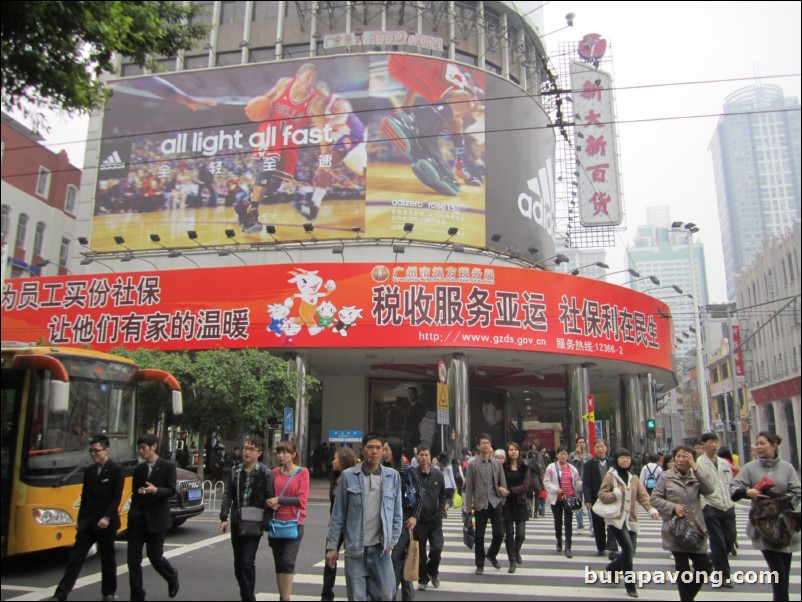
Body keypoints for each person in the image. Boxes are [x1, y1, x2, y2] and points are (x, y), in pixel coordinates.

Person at [381, 54, 484, 196]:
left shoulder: (445, 101)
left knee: (436, 116)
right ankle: (421, 128)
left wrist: (404, 116)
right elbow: (459, 128)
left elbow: (412, 91)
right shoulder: (462, 86)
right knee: (470, 100)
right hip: (424, 55)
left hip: (397, 65)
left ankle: (423, 149)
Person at [244, 62, 327, 227]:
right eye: (307, 77)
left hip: (289, 140)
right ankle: (252, 214)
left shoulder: (315, 103)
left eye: (314, 79)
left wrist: (325, 161)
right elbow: (265, 99)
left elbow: (323, 132)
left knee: (275, 185)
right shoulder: (284, 84)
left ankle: (245, 203)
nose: (310, 82)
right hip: (271, 129)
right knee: (269, 166)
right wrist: (252, 107)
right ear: (298, 77)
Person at [326, 433, 402, 601]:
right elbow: (338, 515)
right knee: (357, 596)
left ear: (383, 451)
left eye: (378, 448)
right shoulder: (348, 476)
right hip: (355, 550)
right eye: (370, 448)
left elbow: (397, 514)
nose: (374, 452)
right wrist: (332, 547)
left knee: (386, 594)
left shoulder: (392, 476)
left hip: (381, 549)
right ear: (362, 451)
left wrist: (391, 542)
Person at [51, 435, 124, 601]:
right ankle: (61, 594)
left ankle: (108, 593)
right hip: (88, 523)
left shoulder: (116, 469)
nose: (93, 454)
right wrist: (79, 521)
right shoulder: (89, 471)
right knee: (75, 559)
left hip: (106, 524)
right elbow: (85, 498)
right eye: (91, 451)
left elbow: (116, 498)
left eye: (96, 451)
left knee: (108, 560)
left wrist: (106, 517)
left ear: (106, 450)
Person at [730, 431, 801, 601]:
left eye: (762, 443)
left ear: (774, 445)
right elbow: (734, 488)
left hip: (784, 527)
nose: (758, 447)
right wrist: (748, 492)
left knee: (784, 574)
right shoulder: (750, 468)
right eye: (757, 443)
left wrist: (780, 500)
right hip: (764, 528)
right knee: (780, 575)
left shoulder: (787, 467)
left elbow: (797, 491)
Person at [649, 445, 716, 601]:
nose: (680, 459)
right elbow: (655, 498)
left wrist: (696, 468)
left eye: (685, 456)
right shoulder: (666, 477)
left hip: (695, 528)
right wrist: (673, 507)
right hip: (675, 529)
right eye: (678, 456)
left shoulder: (696, 476)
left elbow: (709, 490)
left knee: (704, 568)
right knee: (682, 570)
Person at [597, 448, 659, 598]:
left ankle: (612, 568)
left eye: (628, 458)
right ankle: (630, 586)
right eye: (622, 458)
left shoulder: (633, 478)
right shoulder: (610, 476)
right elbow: (601, 495)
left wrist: (651, 509)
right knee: (628, 548)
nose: (625, 460)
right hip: (616, 519)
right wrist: (614, 494)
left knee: (631, 551)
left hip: (630, 519)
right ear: (616, 460)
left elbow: (642, 496)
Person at [220, 436, 274, 602]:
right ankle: (246, 595)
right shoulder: (236, 471)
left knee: (247, 561)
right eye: (245, 448)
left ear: (259, 452)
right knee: (238, 564)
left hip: (254, 522)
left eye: (251, 449)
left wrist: (265, 523)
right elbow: (228, 494)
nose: (247, 452)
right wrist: (224, 516)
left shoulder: (265, 472)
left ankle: (249, 598)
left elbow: (270, 498)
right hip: (237, 520)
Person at [127, 434, 180, 601]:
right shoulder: (139, 470)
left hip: (157, 519)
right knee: (133, 560)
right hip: (138, 520)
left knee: (155, 557)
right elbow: (135, 494)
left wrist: (155, 490)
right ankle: (137, 596)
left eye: (144, 448)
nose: (141, 451)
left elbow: (171, 490)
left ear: (154, 447)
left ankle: (171, 576)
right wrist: (132, 514)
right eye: (140, 448)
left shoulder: (167, 466)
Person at [266, 440, 310, 601]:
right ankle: (282, 596)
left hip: (294, 523)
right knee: (279, 564)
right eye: (279, 452)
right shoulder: (274, 473)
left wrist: (280, 499)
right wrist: (271, 501)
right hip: (276, 523)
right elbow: (268, 494)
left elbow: (301, 500)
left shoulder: (302, 472)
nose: (281, 455)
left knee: (287, 562)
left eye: (285, 452)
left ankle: (286, 598)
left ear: (293, 455)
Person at [383, 436, 422, 601]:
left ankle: (390, 595)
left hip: (404, 521)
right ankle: (407, 595)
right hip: (385, 520)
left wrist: (414, 517)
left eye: (386, 449)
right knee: (398, 560)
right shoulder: (380, 470)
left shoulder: (407, 471)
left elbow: (420, 496)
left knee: (395, 559)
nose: (383, 453)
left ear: (395, 451)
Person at [696, 432, 737, 588]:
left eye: (715, 441)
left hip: (727, 505)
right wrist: (703, 505)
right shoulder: (699, 463)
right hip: (711, 506)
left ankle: (714, 560)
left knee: (730, 538)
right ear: (704, 445)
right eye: (710, 442)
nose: (714, 444)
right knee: (718, 541)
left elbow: (730, 484)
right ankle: (723, 575)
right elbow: (697, 487)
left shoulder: (724, 463)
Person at [463, 433, 507, 574]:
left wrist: (502, 499)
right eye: (483, 443)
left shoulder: (496, 463)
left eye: (488, 442)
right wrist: (468, 506)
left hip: (495, 502)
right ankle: (480, 564)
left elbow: (502, 483)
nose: (486, 445)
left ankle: (492, 554)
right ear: (478, 446)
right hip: (480, 503)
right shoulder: (472, 464)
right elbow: (469, 486)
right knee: (479, 536)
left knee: (500, 533)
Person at [321, 446, 357, 601]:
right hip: (335, 525)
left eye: (335, 458)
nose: (333, 461)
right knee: (329, 559)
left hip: (351, 526)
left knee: (354, 561)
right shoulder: (334, 477)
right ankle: (327, 594)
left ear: (343, 461)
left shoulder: (354, 479)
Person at [412, 446, 448, 591]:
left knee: (437, 548)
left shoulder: (438, 474)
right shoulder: (412, 474)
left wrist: (440, 512)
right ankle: (423, 578)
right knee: (420, 552)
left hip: (434, 519)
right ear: (417, 457)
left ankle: (433, 571)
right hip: (419, 520)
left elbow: (443, 495)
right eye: (421, 455)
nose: (424, 458)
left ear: (430, 456)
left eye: (426, 455)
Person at [583, 438, 619, 558]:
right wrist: (587, 500)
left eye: (602, 446)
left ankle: (612, 547)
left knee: (612, 522)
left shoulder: (613, 462)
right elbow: (587, 483)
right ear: (594, 449)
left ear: (606, 448)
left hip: (612, 497)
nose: (600, 449)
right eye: (597, 447)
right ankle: (601, 547)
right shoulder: (589, 464)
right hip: (596, 498)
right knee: (598, 524)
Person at [544, 446, 582, 558]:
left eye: (565, 454)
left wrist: (583, 485)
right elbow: (546, 481)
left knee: (568, 523)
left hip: (569, 499)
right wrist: (556, 489)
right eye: (561, 454)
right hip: (556, 499)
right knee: (558, 521)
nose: (563, 456)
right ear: (557, 455)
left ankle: (568, 547)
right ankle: (559, 540)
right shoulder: (551, 467)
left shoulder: (572, 468)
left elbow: (577, 481)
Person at [501, 442, 530, 573]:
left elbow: (525, 486)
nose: (513, 452)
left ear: (519, 452)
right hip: (506, 504)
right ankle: (512, 560)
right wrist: (501, 490)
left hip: (520, 503)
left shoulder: (524, 467)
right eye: (510, 450)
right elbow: (498, 482)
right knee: (509, 534)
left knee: (520, 534)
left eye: (515, 450)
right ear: (507, 452)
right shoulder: (502, 467)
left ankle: (516, 551)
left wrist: (510, 490)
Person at [569, 436, 591, 531]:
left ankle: (592, 526)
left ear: (585, 444)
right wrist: (577, 456)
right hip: (576, 483)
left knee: (589, 504)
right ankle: (580, 525)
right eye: (579, 442)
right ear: (576, 444)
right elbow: (571, 467)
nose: (581, 444)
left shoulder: (589, 456)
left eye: (583, 442)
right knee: (577, 505)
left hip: (587, 483)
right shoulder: (571, 455)